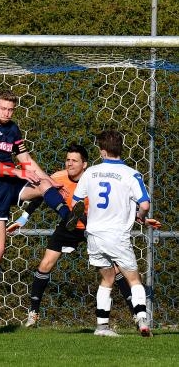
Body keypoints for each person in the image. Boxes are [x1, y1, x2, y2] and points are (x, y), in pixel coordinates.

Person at [0, 89, 82, 328]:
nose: (7, 113)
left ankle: (68, 217)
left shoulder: (13, 128)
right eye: (3, 108)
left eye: (11, 109)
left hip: (12, 184)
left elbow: (26, 160)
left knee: (44, 183)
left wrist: (49, 179)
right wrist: (20, 172)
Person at [6, 144, 135, 327]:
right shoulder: (57, 178)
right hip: (68, 225)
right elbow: (40, 196)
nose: (69, 163)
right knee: (45, 263)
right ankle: (33, 314)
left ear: (85, 164)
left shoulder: (93, 179)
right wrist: (23, 219)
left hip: (93, 227)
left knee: (115, 268)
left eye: (74, 160)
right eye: (67, 160)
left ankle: (136, 314)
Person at [72, 130, 161, 337]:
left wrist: (86, 220)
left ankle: (102, 327)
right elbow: (145, 204)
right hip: (117, 235)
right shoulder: (131, 174)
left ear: (102, 151)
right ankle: (142, 319)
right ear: (120, 148)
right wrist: (140, 215)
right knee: (134, 279)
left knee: (107, 279)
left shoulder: (90, 172)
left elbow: (76, 202)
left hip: (94, 235)